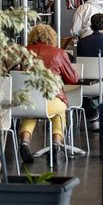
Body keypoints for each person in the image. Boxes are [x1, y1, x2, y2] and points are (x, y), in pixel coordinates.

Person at [18, 24, 79, 164]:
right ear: (52, 37)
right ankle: (56, 145)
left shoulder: (25, 52)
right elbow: (73, 78)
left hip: (29, 100)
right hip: (52, 99)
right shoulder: (58, 53)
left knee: (31, 113)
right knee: (59, 113)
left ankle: (24, 142)